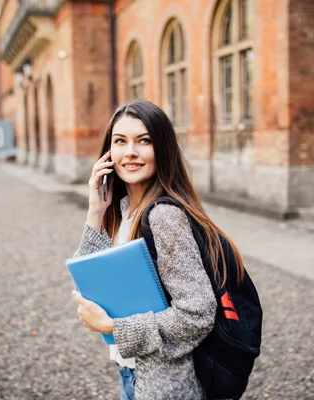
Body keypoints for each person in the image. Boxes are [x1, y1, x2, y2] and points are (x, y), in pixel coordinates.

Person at [71, 99, 246, 400]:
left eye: (144, 141)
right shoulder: (125, 208)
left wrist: (114, 327)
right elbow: (93, 281)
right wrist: (95, 212)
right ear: (108, 152)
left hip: (165, 384)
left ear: (162, 148)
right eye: (120, 141)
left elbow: (197, 314)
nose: (130, 153)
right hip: (134, 371)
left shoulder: (163, 216)